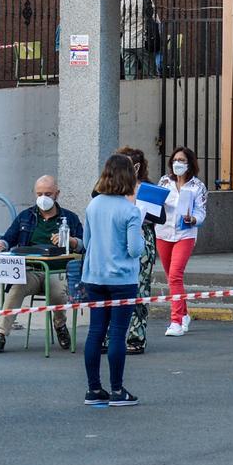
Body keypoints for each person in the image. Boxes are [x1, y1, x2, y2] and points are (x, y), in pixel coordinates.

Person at [0, 175, 82, 354]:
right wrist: (1, 244)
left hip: (56, 270)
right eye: (39, 194)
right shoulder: (26, 217)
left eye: (48, 193)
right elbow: (8, 238)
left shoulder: (70, 218)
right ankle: (0, 334)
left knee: (58, 292)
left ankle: (60, 325)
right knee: (15, 289)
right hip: (30, 271)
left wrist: (72, 241)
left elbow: (84, 245)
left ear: (57, 194)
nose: (43, 198)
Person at [82, 154, 145, 407]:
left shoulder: (92, 205)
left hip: (94, 277)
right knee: (118, 333)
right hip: (121, 279)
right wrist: (139, 231)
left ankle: (93, 388)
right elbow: (134, 249)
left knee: (95, 332)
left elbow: (86, 243)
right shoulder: (130, 210)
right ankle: (117, 390)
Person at [155, 146, 208, 337]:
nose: (178, 163)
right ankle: (184, 313)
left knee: (176, 275)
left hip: (185, 234)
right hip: (163, 233)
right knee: (171, 277)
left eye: (182, 161)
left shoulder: (197, 186)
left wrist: (193, 219)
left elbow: (201, 211)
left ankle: (176, 321)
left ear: (190, 164)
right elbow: (155, 203)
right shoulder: (164, 181)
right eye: (175, 160)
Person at [117, 147, 164, 354]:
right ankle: (112, 336)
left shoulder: (147, 188)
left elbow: (161, 217)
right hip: (118, 239)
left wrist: (144, 212)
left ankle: (137, 337)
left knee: (140, 287)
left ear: (137, 166)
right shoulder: (114, 187)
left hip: (143, 238)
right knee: (115, 287)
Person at [119, 0, 160, 79]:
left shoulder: (122, 4)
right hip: (143, 42)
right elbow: (155, 20)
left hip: (126, 43)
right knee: (151, 74)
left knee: (129, 76)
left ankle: (130, 94)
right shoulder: (145, 0)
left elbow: (119, 25)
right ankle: (152, 93)